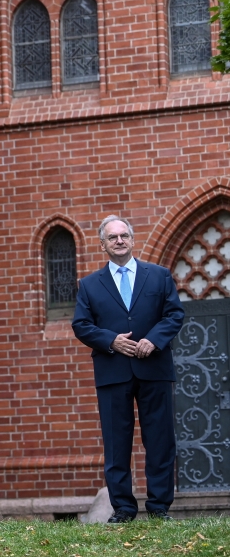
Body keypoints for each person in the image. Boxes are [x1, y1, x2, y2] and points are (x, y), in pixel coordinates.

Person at [72, 215, 185, 522]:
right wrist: (111, 341)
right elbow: (81, 325)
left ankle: (159, 507)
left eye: (124, 235)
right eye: (112, 237)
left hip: (154, 368)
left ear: (132, 240)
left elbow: (174, 314)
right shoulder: (89, 285)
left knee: (160, 440)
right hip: (113, 371)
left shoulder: (159, 276)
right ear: (103, 245)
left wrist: (154, 340)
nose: (119, 241)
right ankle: (123, 508)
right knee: (116, 443)